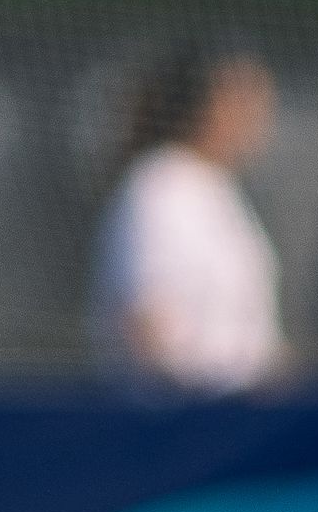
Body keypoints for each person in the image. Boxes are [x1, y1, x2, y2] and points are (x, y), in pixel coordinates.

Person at [90, 47, 284, 394]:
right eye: (244, 101)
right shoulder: (157, 187)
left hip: (242, 420)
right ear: (206, 107)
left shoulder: (221, 188)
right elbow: (146, 320)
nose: (260, 116)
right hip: (181, 422)